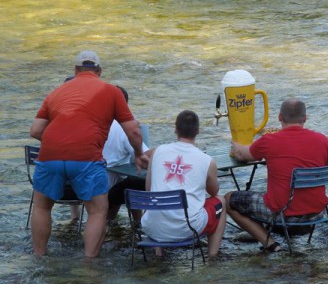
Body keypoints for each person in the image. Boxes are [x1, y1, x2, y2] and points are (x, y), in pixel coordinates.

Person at [29, 50, 147, 258]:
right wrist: (138, 153)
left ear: (75, 71)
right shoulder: (111, 91)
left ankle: (39, 256)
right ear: (99, 71)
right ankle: (89, 261)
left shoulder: (58, 92)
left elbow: (36, 130)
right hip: (86, 156)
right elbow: (134, 130)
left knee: (41, 206)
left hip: (50, 155)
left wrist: (59, 143)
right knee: (98, 210)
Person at [225, 98, 328, 253]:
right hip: (316, 214)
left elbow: (243, 155)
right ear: (305, 118)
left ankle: (269, 243)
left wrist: (235, 145)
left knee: (228, 199)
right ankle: (264, 232)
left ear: (279, 117)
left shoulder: (269, 140)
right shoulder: (322, 140)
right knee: (271, 192)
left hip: (283, 214)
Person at [141, 110, 227, 260]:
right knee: (221, 201)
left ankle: (158, 253)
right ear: (197, 131)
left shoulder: (158, 152)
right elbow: (214, 192)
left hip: (152, 226)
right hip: (188, 228)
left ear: (176, 129)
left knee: (156, 198)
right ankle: (212, 256)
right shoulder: (207, 160)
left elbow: (149, 190)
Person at [103, 85, 150, 224]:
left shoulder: (93, 121)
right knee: (135, 182)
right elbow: (145, 155)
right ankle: (138, 224)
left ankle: (108, 222)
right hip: (110, 185)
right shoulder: (124, 128)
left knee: (125, 177)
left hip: (89, 181)